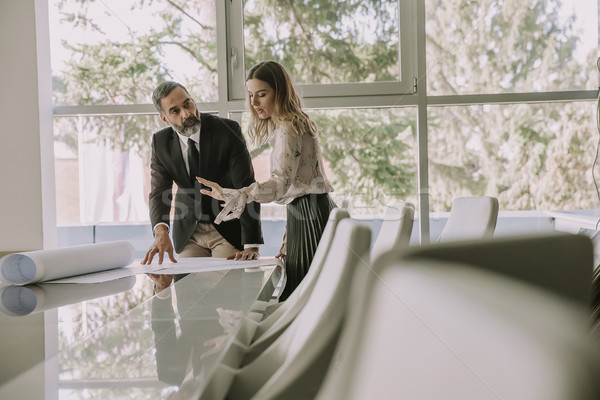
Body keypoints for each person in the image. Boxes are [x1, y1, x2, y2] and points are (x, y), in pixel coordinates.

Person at [197, 61, 336, 300]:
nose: (254, 103)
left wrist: (235, 194)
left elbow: (281, 185)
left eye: (261, 94)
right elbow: (295, 189)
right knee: (310, 294)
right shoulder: (295, 122)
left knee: (300, 297)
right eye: (251, 95)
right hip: (313, 211)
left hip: (309, 216)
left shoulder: (289, 128)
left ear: (279, 92)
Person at [142, 81, 263, 285]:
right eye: (175, 111)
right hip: (189, 232)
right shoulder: (160, 142)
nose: (186, 114)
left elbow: (246, 186)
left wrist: (251, 244)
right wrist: (161, 231)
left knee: (225, 298)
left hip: (227, 229)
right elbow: (159, 192)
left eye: (188, 104)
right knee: (188, 298)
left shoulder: (227, 130)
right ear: (164, 118)